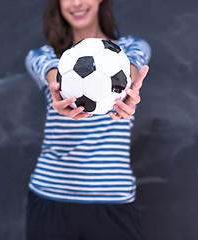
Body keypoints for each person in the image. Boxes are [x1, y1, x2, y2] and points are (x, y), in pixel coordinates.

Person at [25, 0, 151, 239]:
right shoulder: (42, 56)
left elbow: (132, 66)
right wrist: (59, 87)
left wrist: (128, 89)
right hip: (50, 198)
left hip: (113, 202)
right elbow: (51, 71)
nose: (77, 3)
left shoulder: (132, 48)